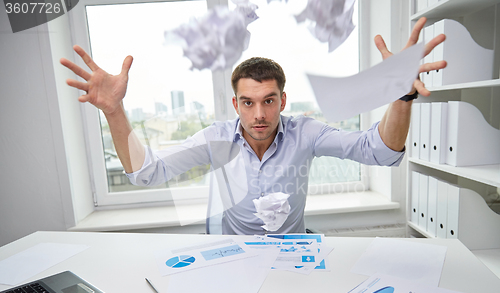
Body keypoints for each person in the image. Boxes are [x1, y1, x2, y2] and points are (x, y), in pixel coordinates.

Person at [60, 17, 446, 235]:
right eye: (248, 103)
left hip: (295, 254)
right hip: (235, 256)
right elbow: (147, 173)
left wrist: (401, 94)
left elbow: (380, 151)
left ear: (282, 100)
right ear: (236, 104)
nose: (259, 115)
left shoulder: (305, 132)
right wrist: (113, 110)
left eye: (268, 101)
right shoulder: (216, 139)